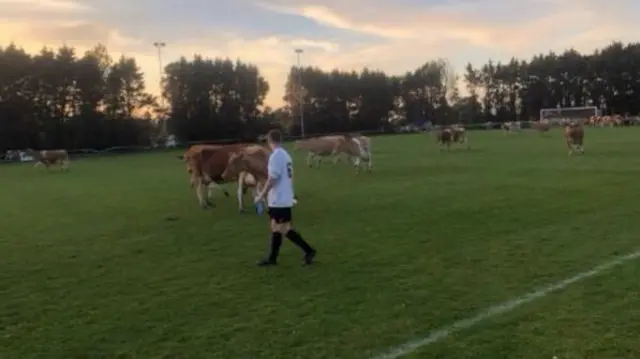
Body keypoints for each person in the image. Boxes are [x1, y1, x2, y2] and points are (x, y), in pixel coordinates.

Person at [254, 129, 316, 266]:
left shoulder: (276, 156)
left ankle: (309, 251)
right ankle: (273, 258)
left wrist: (261, 195)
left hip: (279, 199)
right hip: (283, 197)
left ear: (269, 141)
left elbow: (272, 179)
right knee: (276, 227)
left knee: (283, 228)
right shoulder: (285, 155)